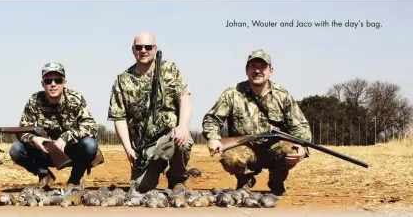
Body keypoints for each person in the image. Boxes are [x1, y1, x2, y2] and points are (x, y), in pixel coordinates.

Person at [201, 49, 312, 196]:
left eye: (262, 67)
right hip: (245, 148)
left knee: (290, 151)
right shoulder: (232, 93)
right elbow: (211, 119)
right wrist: (213, 138)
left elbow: (301, 128)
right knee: (230, 158)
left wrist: (304, 150)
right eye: (253, 66)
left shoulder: (282, 95)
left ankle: (276, 180)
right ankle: (244, 180)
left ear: (270, 71)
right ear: (247, 70)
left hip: (274, 149)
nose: (257, 70)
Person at [107, 32, 194, 193]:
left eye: (148, 47)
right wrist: (128, 148)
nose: (143, 50)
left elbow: (185, 98)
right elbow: (118, 118)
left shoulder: (170, 70)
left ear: (155, 49)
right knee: (140, 188)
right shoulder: (122, 80)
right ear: (133, 50)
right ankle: (155, 169)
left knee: (184, 141)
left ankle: (177, 179)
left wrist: (183, 126)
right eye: (139, 47)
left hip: (170, 138)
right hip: (144, 148)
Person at [9, 62, 103, 189]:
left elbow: (91, 127)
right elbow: (22, 130)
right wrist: (33, 139)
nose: (53, 84)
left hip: (71, 151)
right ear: (43, 84)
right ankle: (44, 175)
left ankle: (74, 180)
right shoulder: (34, 100)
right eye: (48, 81)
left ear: (64, 82)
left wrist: (66, 137)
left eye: (58, 80)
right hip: (45, 151)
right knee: (16, 149)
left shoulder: (76, 98)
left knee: (90, 145)